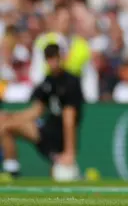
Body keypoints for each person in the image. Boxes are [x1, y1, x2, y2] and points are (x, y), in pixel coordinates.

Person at [0, 43, 84, 178]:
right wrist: (10, 116)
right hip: (45, 132)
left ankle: (69, 167)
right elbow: (36, 111)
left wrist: (70, 151)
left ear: (61, 57)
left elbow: (69, 119)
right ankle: (11, 171)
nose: (52, 62)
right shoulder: (48, 81)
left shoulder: (70, 82)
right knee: (4, 125)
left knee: (62, 177)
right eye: (49, 58)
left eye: (54, 57)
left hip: (60, 136)